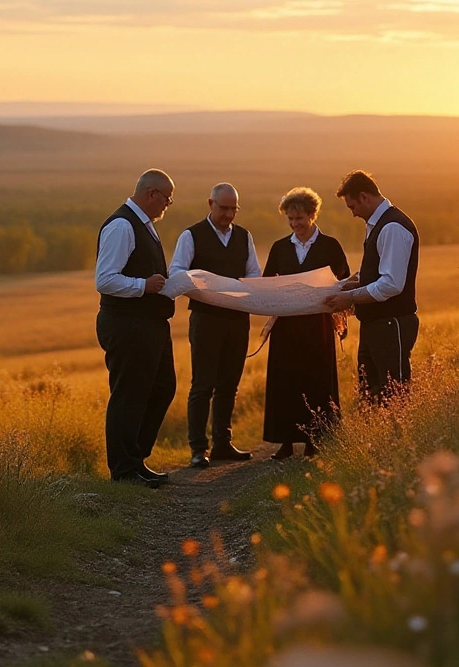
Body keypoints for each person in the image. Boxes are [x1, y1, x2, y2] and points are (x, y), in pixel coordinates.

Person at [95, 169, 178, 488]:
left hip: (149, 323)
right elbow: (104, 279)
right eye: (167, 199)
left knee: (160, 388)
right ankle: (124, 469)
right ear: (152, 194)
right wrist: (144, 285)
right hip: (127, 324)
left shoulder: (142, 225)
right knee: (129, 394)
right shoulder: (121, 225)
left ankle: (135, 458)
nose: (167, 206)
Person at [169, 183, 260, 468]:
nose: (230, 214)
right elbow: (176, 273)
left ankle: (222, 443)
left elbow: (253, 274)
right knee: (202, 385)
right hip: (206, 319)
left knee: (229, 385)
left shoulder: (244, 237)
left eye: (234, 209)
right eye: (224, 208)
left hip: (237, 319)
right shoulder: (191, 235)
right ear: (210, 204)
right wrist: (207, 286)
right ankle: (198, 448)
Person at [261, 187, 351, 459]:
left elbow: (344, 280)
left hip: (318, 326)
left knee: (316, 380)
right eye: (290, 219)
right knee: (284, 381)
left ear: (313, 215)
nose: (294, 224)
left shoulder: (330, 245)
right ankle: (285, 442)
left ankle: (315, 439)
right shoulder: (279, 247)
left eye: (299, 218)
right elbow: (268, 281)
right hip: (286, 326)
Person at [323, 170, 420, 403]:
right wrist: (352, 284)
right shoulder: (379, 225)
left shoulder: (392, 227)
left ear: (365, 197)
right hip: (376, 325)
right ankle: (376, 439)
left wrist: (351, 298)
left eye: (352, 206)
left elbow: (391, 285)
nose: (353, 213)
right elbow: (380, 274)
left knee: (393, 397)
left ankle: (399, 439)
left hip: (391, 324)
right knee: (370, 396)